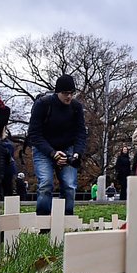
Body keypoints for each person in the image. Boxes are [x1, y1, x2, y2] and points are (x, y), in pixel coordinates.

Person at [27, 74, 88, 216]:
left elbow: (80, 133)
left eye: (72, 93)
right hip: (44, 148)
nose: (69, 97)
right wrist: (53, 153)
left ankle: (66, 219)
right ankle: (43, 222)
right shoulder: (43, 104)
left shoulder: (76, 107)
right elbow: (34, 134)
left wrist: (77, 153)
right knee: (45, 184)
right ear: (57, 92)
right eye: (65, 93)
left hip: (68, 148)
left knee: (69, 185)